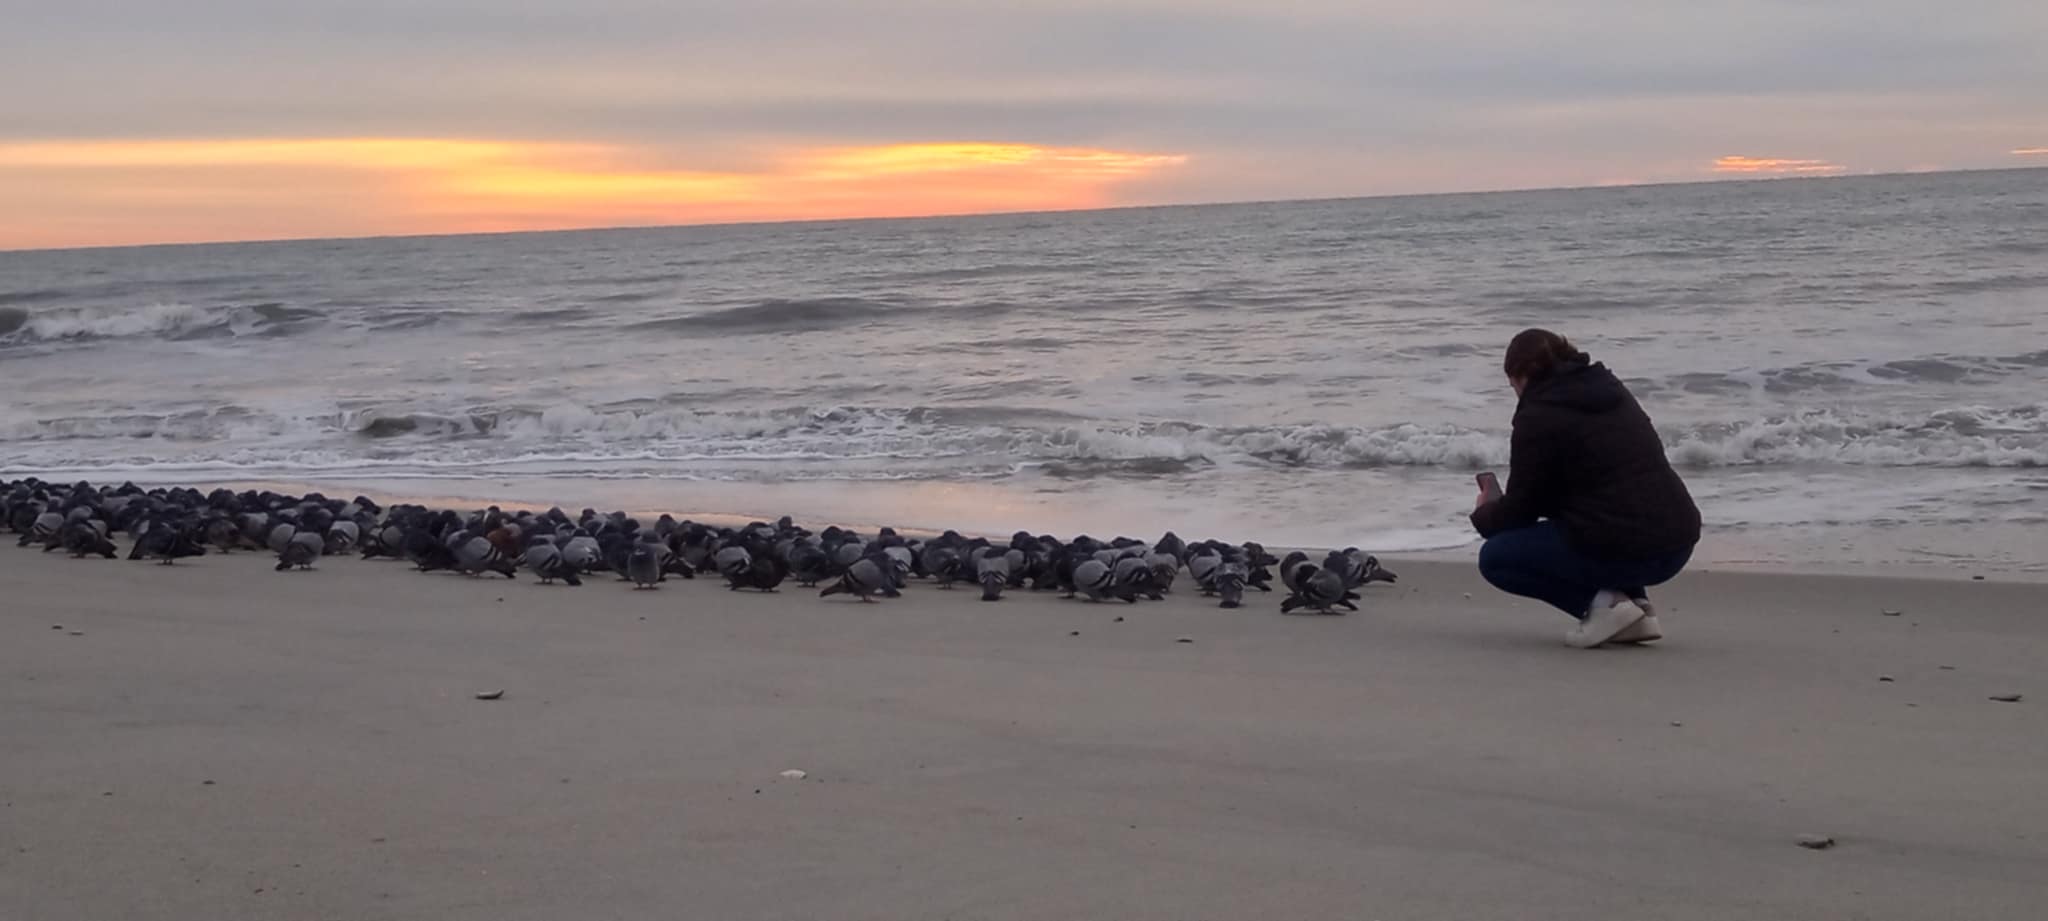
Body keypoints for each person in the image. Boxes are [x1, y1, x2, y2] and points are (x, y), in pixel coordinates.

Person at [1470, 328, 1701, 648]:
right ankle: (1638, 608)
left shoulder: (1537, 415)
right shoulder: (1609, 389)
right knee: (1605, 518)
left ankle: (1604, 606)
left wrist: (1485, 512)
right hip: (1678, 541)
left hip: (1629, 548)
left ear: (1522, 376)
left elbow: (1521, 513)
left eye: (1513, 386)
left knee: (1496, 557)